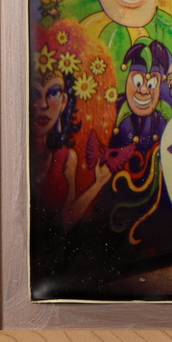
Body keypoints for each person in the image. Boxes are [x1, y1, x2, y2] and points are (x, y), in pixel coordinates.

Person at [31, 21, 117, 230]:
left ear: (64, 102)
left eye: (53, 92)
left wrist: (97, 183)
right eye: (35, 93)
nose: (43, 104)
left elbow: (67, 219)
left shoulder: (66, 158)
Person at [111, 38, 172, 155]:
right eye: (138, 81)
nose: (144, 90)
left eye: (152, 84)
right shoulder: (116, 116)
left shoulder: (162, 121)